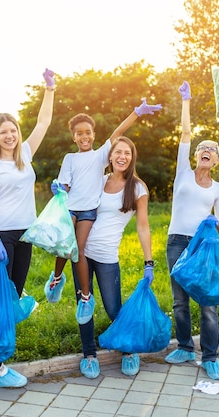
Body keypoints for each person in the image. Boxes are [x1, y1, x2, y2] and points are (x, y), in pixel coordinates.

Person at [46, 100, 162, 326]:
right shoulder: (75, 162)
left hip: (94, 225)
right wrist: (59, 190)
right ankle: (56, 279)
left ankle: (90, 303)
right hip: (71, 211)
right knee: (64, 244)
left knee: (79, 251)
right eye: (79, 134)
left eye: (88, 132)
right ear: (73, 137)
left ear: (94, 134)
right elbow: (67, 184)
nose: (84, 137)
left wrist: (136, 113)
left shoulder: (102, 157)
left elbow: (118, 132)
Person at [0, 68, 55, 388]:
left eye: (12, 130)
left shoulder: (24, 153)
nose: (9, 135)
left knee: (14, 296)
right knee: (0, 298)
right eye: (3, 132)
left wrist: (50, 89)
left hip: (25, 235)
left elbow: (44, 123)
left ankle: (0, 354)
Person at [67, 136, 154, 379]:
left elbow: (143, 226)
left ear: (132, 158)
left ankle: (128, 350)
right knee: (84, 305)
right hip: (81, 253)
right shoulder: (99, 180)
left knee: (113, 307)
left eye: (127, 153)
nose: (122, 157)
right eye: (118, 152)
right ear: (110, 156)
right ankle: (89, 355)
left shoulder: (138, 188)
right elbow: (74, 201)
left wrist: (149, 262)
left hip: (106, 256)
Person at [164, 81, 219, 380]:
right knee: (180, 300)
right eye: (203, 148)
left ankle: (211, 356)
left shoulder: (218, 188)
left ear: (216, 161)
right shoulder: (183, 174)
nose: (206, 150)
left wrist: (212, 223)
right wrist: (186, 101)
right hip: (176, 242)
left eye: (212, 150)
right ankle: (186, 347)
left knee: (208, 303)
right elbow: (186, 134)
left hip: (201, 247)